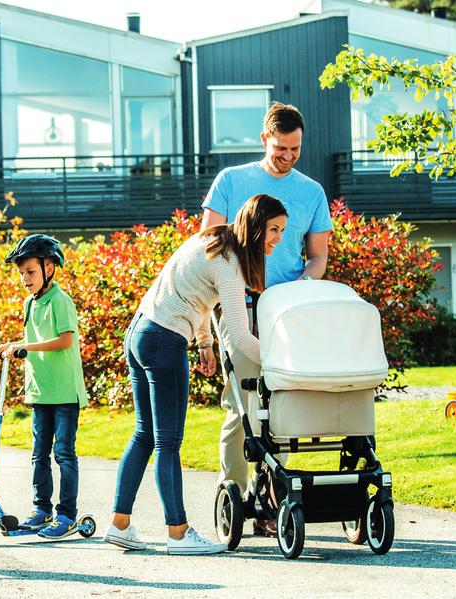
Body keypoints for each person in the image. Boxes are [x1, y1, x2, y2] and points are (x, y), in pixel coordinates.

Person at [104, 194, 287, 555]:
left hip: (140, 332)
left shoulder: (213, 239)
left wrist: (204, 341)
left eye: (282, 230)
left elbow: (196, 295)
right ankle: (178, 532)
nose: (278, 238)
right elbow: (239, 333)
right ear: (255, 226)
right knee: (167, 442)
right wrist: (280, 362)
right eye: (274, 229)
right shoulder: (229, 261)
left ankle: (120, 524)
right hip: (163, 339)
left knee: (145, 434)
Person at [200, 102, 333, 537]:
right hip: (236, 305)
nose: (288, 156)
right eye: (281, 148)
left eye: (295, 149)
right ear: (264, 140)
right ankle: (234, 497)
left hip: (284, 310)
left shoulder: (311, 192)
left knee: (281, 404)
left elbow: (317, 259)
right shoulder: (231, 182)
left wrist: (298, 290)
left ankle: (274, 499)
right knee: (241, 406)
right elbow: (207, 246)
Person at [0, 233, 89, 539]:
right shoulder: (29, 304)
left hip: (64, 391)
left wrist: (24, 347)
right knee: (38, 454)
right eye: (21, 273)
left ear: (50, 268)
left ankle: (67, 515)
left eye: (30, 272)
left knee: (63, 453)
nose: (25, 278)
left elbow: (65, 340)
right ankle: (42, 509)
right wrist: (9, 347)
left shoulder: (61, 301)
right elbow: (31, 342)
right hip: (40, 390)